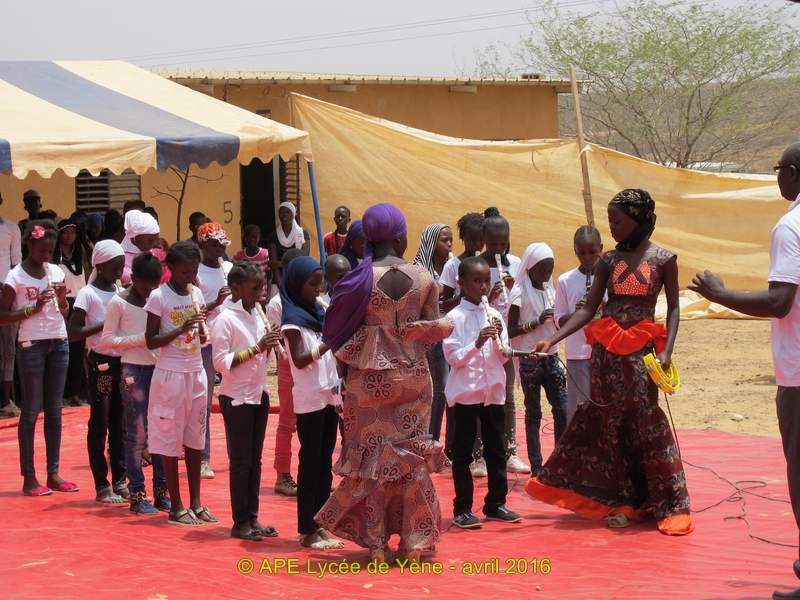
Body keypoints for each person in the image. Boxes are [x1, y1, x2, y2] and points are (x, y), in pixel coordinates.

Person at [527, 188, 693, 536]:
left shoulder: (664, 259)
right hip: (607, 355)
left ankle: (668, 503)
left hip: (642, 356)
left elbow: (675, 308)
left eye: (617, 221)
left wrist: (668, 351)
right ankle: (624, 501)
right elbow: (588, 308)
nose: (612, 227)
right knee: (610, 425)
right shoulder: (608, 261)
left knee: (645, 422)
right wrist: (552, 339)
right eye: (610, 221)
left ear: (639, 219)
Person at [689, 143, 800, 597]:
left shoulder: (790, 226)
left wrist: (720, 294)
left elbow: (779, 301)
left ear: (792, 173)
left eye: (778, 170)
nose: (777, 178)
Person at [316, 203, 452, 563]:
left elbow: (336, 331)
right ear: (399, 236)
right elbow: (431, 330)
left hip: (368, 382)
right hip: (414, 379)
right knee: (411, 460)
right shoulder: (424, 278)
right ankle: (414, 543)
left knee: (371, 462)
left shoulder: (357, 280)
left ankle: (377, 545)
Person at [0, 220, 77, 496]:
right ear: (29, 246)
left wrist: (63, 301)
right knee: (31, 410)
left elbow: (64, 312)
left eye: (50, 251)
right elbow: (3, 316)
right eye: (42, 251)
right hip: (31, 344)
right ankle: (29, 477)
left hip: (58, 341)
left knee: (55, 410)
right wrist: (31, 309)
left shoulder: (56, 271)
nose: (46, 256)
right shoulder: (15, 277)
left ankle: (53, 473)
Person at [444, 256, 522, 529]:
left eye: (485, 281)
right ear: (462, 283)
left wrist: (500, 338)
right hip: (467, 393)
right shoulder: (454, 317)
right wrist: (477, 343)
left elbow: (503, 357)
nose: (482, 286)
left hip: (493, 392)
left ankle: (495, 503)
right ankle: (462, 508)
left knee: (496, 450)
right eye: (476, 281)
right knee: (463, 452)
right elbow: (454, 359)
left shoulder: (496, 314)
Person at [144, 240, 216, 527]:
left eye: (194, 271)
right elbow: (151, 340)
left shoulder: (196, 293)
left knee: (195, 436)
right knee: (169, 438)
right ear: (171, 268)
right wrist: (180, 329)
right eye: (186, 272)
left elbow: (200, 338)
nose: (191, 276)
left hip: (196, 371)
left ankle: (196, 502)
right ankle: (176, 504)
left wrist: (199, 331)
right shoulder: (158, 297)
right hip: (170, 373)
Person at [212, 262, 282, 541]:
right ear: (237, 288)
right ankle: (240, 521)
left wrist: (269, 346)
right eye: (255, 288)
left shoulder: (256, 313)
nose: (261, 293)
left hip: (258, 393)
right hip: (237, 397)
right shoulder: (225, 319)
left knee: (255, 460)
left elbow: (259, 356)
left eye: (263, 286)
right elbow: (221, 362)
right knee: (241, 462)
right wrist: (258, 348)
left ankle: (252, 517)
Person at [280, 256, 344, 551]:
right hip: (309, 398)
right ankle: (307, 527)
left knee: (324, 463)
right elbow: (300, 359)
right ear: (297, 284)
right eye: (313, 284)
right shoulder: (292, 320)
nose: (319, 289)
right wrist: (327, 343)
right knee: (310, 463)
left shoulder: (320, 311)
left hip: (329, 394)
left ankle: (322, 523)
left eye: (321, 283)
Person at [101, 253, 170, 515]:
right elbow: (107, 340)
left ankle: (162, 492)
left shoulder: (159, 298)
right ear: (134, 279)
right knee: (137, 435)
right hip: (134, 371)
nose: (150, 292)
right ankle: (138, 494)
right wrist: (142, 339)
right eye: (145, 287)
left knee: (162, 433)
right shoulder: (118, 303)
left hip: (161, 369)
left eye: (154, 286)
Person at [69, 240, 128, 504]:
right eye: (115, 266)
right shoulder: (87, 294)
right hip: (100, 363)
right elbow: (73, 332)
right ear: (100, 265)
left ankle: (120, 479)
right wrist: (105, 326)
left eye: (121, 265)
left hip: (122, 362)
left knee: (120, 422)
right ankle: (101, 484)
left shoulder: (120, 291)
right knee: (100, 421)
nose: (120, 270)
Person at [508, 243, 567, 476]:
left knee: (562, 408)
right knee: (533, 413)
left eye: (550, 269)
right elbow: (510, 330)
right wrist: (537, 322)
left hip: (551, 357)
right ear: (531, 267)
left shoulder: (550, 289)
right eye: (543, 269)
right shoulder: (518, 293)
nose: (547, 274)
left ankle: (559, 462)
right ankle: (536, 466)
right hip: (529, 359)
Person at [480, 212, 529, 475]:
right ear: (484, 240)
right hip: (482, 338)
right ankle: (479, 455)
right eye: (494, 244)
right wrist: (491, 293)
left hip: (506, 338)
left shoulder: (517, 263)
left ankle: (510, 451)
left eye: (503, 243)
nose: (499, 249)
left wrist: (513, 288)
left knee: (507, 395)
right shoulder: (476, 265)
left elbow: (521, 298)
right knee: (480, 396)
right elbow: (471, 302)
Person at [554, 226, 604, 422]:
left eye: (592, 252)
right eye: (581, 253)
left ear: (601, 248)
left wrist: (600, 308)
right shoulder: (566, 280)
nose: (587, 257)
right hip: (578, 353)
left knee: (604, 404)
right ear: (575, 251)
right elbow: (558, 320)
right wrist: (578, 313)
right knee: (579, 410)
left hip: (604, 351)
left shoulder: (608, 278)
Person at [195, 222, 233, 479]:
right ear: (203, 245)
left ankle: (236, 455)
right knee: (204, 402)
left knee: (233, 399)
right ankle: (202, 457)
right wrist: (215, 303)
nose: (220, 248)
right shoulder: (195, 273)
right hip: (205, 343)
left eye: (222, 243)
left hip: (228, 339)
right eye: (215, 244)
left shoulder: (228, 269)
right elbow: (193, 311)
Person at [266, 248, 304, 497]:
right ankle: (282, 475)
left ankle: (308, 473)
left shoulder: (307, 297)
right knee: (288, 423)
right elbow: (275, 337)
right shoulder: (277, 303)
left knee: (309, 424)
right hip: (289, 367)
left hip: (309, 368)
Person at [413, 223, 455, 447]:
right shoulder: (419, 269)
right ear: (431, 242)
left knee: (452, 388)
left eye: (451, 240)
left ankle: (450, 443)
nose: (449, 244)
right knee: (441, 387)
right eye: (444, 240)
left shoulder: (454, 266)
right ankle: (433, 439)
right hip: (431, 334)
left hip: (454, 331)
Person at [54, 218, 88, 407]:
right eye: (65, 232)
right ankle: (60, 393)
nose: (69, 236)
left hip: (79, 302)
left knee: (77, 350)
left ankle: (74, 392)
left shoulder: (78, 255)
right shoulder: (53, 257)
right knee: (61, 351)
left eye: (72, 232)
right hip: (61, 303)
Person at [0, 192, 22, 417]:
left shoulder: (11, 228)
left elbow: (16, 264)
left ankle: (6, 401)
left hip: (6, 295)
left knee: (8, 350)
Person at [440, 213, 485, 316]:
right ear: (462, 237)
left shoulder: (486, 265)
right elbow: (446, 306)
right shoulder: (452, 266)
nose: (478, 244)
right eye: (473, 239)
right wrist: (463, 295)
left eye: (481, 239)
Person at [267, 202, 310, 285]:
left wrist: (281, 263)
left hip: (298, 278)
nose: (284, 215)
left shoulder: (303, 234)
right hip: (279, 280)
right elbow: (273, 264)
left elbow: (304, 260)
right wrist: (280, 285)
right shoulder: (273, 236)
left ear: (293, 214)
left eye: (287, 212)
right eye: (281, 213)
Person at [121, 210, 160, 286]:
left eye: (156, 239)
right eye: (150, 240)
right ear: (134, 237)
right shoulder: (118, 256)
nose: (154, 243)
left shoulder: (156, 254)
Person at [233, 224, 270, 304]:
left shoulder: (265, 254)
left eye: (254, 237)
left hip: (262, 297)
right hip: (244, 298)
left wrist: (268, 295)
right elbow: (235, 277)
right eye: (249, 237)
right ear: (244, 238)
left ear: (259, 238)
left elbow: (270, 276)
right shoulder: (238, 256)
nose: (252, 239)